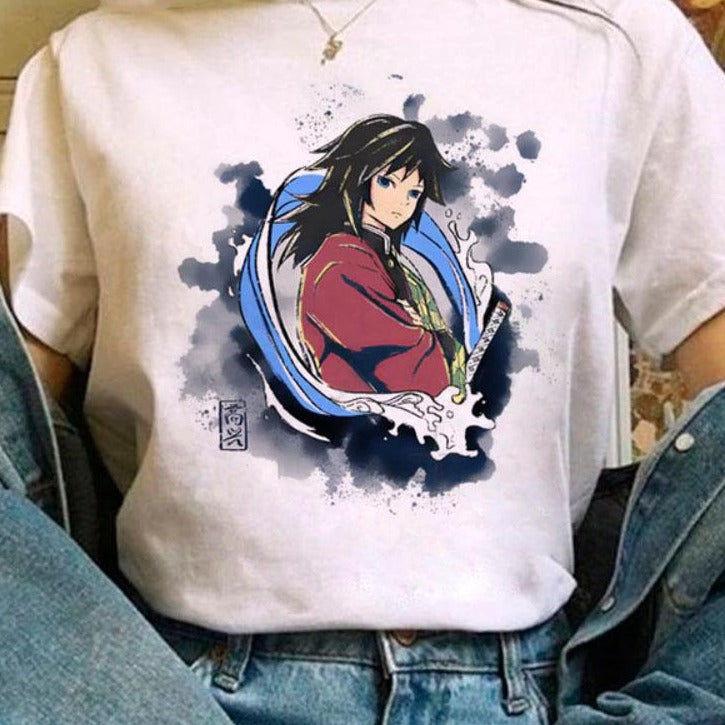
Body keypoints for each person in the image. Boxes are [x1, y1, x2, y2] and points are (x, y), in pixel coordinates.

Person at [0, 0, 723, 722]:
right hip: (176, 686)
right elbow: (15, 461)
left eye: (413, 188)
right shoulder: (92, 68)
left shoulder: (614, 42)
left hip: (517, 686)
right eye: (389, 183)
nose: (403, 201)